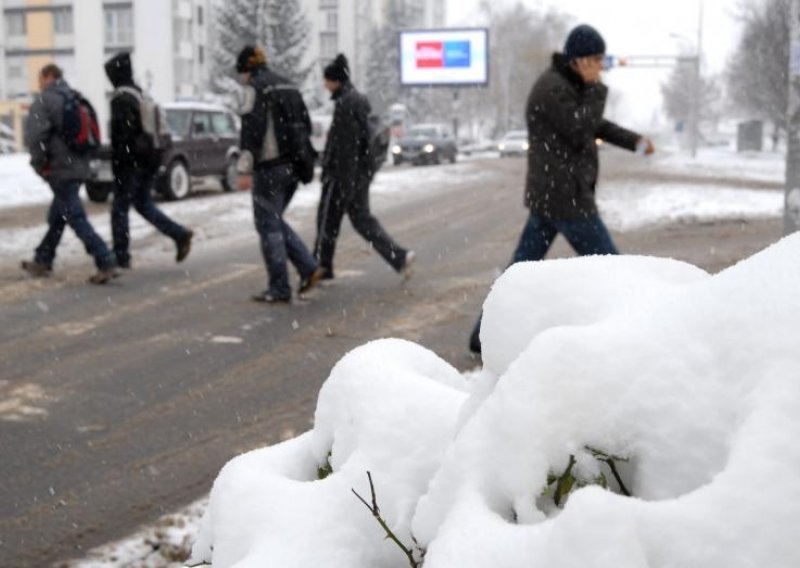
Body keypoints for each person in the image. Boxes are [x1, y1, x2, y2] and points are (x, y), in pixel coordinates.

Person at [469, 24, 655, 354]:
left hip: (553, 197)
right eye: (596, 61)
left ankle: (482, 336)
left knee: (518, 272)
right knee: (613, 269)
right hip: (565, 198)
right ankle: (641, 330)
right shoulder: (551, 89)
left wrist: (635, 141)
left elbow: (596, 125)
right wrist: (598, 90)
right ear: (578, 60)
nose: (600, 68)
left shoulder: (568, 87)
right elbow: (580, 127)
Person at [235, 46, 324, 304]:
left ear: (247, 69)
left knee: (268, 225)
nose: (241, 79)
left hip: (270, 166)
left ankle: (280, 287)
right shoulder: (289, 86)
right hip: (294, 167)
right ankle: (308, 268)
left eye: (241, 73)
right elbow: (306, 126)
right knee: (273, 220)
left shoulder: (256, 88)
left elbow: (252, 130)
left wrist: (244, 167)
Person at [314, 54, 414, 281]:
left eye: (327, 80)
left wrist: (344, 181)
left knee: (328, 222)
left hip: (344, 177)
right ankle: (399, 257)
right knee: (361, 220)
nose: (324, 85)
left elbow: (347, 148)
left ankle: (320, 268)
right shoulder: (356, 100)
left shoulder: (347, 103)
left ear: (335, 81)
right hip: (358, 174)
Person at [21, 64, 118, 284]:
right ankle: (43, 259)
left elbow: (35, 138)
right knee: (59, 215)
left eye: (40, 77)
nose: (39, 83)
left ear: (47, 76)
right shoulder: (75, 97)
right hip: (79, 166)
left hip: (61, 169)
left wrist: (39, 165)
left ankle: (105, 259)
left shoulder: (46, 100)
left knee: (75, 217)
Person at [104, 52, 193, 269]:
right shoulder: (140, 94)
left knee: (120, 208)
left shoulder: (120, 99)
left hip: (130, 163)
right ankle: (179, 234)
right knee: (143, 204)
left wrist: (120, 163)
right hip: (149, 158)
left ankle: (121, 255)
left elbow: (123, 136)